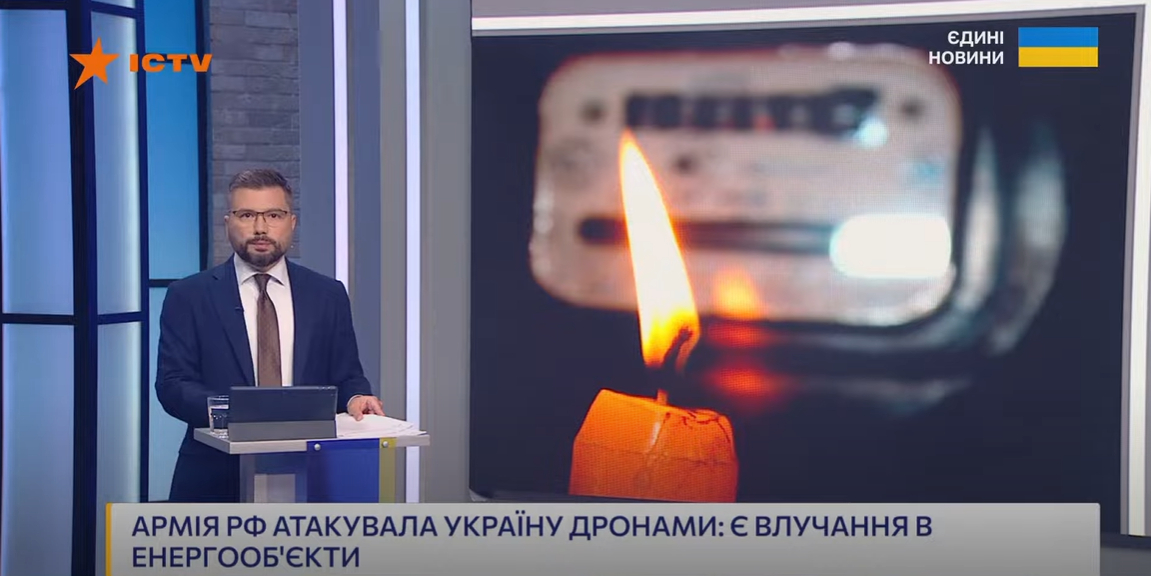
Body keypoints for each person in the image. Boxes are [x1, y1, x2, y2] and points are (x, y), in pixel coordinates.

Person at [156, 168, 385, 502]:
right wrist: (241, 412)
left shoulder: (327, 294)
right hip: (215, 478)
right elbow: (173, 385)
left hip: (312, 475)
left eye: (274, 215)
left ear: (292, 222)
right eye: (247, 215)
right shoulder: (189, 295)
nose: (261, 228)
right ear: (228, 222)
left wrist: (357, 398)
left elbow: (347, 374)